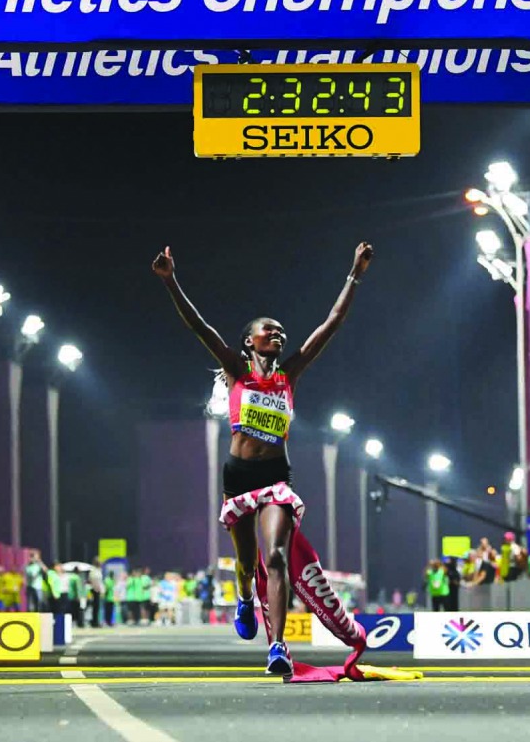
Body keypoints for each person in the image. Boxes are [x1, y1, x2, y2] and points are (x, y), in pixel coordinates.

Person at [153, 241, 373, 674]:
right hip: (238, 477)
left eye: (280, 331)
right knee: (247, 561)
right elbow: (199, 327)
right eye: (267, 330)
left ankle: (278, 647)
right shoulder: (237, 370)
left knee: (275, 556)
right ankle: (243, 596)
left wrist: (355, 274)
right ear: (248, 341)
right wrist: (170, 281)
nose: (277, 334)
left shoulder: (290, 374)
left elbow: (332, 322)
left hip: (276, 477)